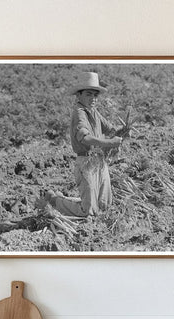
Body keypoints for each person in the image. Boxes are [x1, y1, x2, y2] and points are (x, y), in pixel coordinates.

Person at [39, 72, 124, 217]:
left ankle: (60, 198)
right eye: (89, 94)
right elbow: (85, 138)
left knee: (104, 205)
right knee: (88, 211)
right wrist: (111, 143)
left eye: (95, 95)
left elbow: (110, 129)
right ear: (79, 95)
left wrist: (124, 131)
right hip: (86, 162)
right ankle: (54, 201)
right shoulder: (79, 113)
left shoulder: (94, 111)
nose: (93, 99)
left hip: (99, 161)